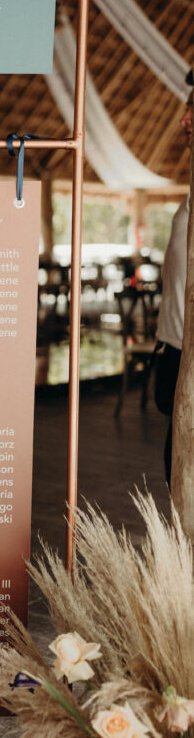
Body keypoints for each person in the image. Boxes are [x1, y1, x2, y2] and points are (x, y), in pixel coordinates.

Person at [155, 69, 192, 487]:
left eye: (192, 107)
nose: (184, 118)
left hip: (190, 354)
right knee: (176, 470)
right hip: (177, 347)